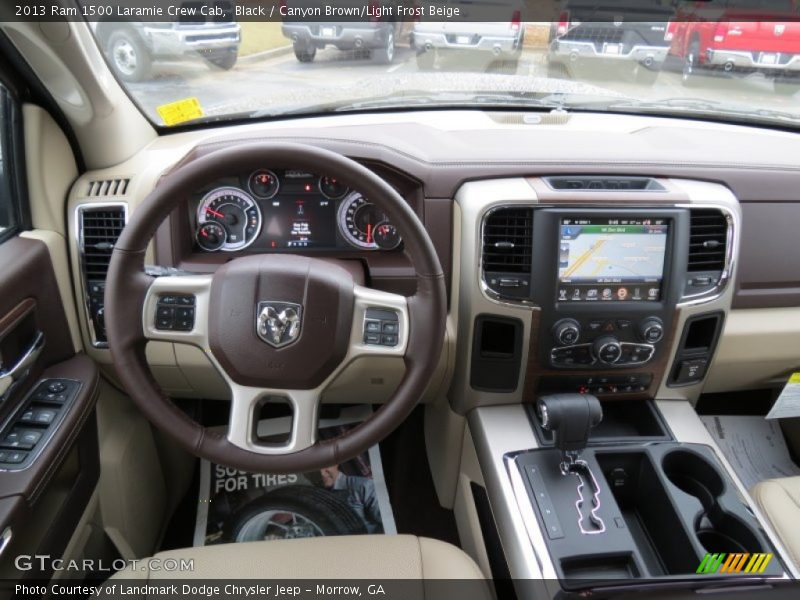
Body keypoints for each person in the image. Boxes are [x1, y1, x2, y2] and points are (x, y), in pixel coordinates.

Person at [320, 465, 382, 533]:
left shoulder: (363, 485)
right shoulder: (319, 496)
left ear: (336, 463)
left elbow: (387, 523)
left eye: (324, 465)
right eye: (316, 468)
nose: (322, 473)